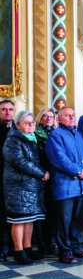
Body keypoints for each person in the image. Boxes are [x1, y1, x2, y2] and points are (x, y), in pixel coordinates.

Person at [46, 107, 83, 264]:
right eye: (67, 115)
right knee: (64, 221)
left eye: (73, 115)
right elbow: (59, 159)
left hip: (82, 186)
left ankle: (76, 247)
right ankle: (64, 251)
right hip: (65, 187)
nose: (72, 117)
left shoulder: (79, 135)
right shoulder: (55, 135)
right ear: (59, 119)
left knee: (78, 220)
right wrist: (79, 171)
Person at [3, 111, 49, 265]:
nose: (31, 125)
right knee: (19, 220)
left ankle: (28, 248)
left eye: (33, 123)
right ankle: (19, 251)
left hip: (32, 185)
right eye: (27, 123)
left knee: (29, 219)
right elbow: (20, 162)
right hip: (18, 185)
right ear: (18, 125)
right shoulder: (13, 140)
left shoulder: (33, 139)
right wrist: (41, 173)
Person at [34, 108, 58, 255]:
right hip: (42, 176)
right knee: (41, 211)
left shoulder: (56, 133)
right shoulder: (36, 134)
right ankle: (41, 243)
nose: (48, 119)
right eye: (45, 116)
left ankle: (52, 242)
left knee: (53, 211)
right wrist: (42, 171)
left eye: (51, 116)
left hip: (55, 177)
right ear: (40, 118)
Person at [0, 99, 15, 261]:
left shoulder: (17, 128)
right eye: (4, 109)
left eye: (10, 109)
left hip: (13, 180)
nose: (7, 112)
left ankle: (11, 245)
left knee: (12, 214)